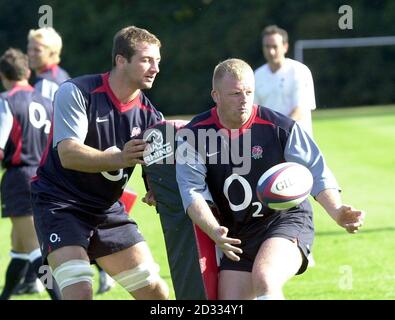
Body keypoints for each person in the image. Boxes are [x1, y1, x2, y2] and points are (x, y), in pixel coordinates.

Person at [175, 58, 365, 300]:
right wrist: (215, 231)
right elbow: (191, 191)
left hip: (284, 219)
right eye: (235, 93)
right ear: (216, 95)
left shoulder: (280, 127)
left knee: (265, 277)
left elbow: (317, 172)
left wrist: (337, 211)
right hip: (236, 232)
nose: (244, 99)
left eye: (249, 92)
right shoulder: (193, 135)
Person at [30, 26, 169, 300]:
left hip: (107, 210)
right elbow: (68, 154)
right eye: (146, 60)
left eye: (158, 62)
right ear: (121, 60)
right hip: (60, 203)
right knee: (79, 290)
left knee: (156, 293)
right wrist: (121, 157)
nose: (155, 68)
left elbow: (155, 170)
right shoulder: (77, 92)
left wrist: (157, 189)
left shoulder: (152, 117)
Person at [0, 48, 61, 300]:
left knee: (35, 249)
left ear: (3, 75)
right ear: (26, 72)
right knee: (20, 247)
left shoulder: (6, 100)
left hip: (20, 178)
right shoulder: (47, 102)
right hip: (45, 176)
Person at [254, 25, 316, 137]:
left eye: (275, 46)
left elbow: (300, 110)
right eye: (267, 46)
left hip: (298, 141)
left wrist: (279, 130)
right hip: (271, 141)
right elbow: (254, 112)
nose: (271, 51)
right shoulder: (257, 75)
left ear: (285, 47)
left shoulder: (300, 71)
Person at [27, 27, 70, 101]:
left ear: (52, 53)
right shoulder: (62, 74)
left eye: (37, 50)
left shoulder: (46, 83)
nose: (31, 54)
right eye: (29, 49)